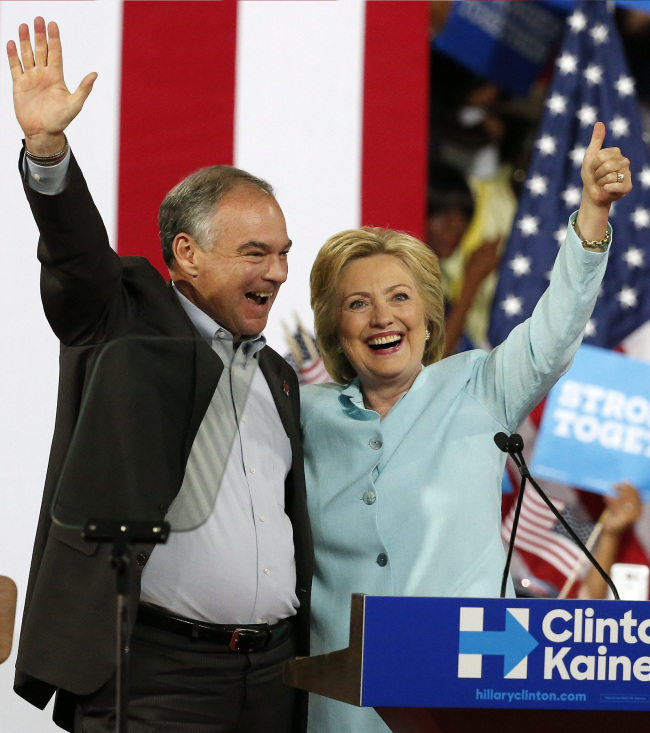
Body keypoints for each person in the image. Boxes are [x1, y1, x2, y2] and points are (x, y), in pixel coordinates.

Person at [7, 17, 312, 733]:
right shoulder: (126, 321)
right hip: (156, 676)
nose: (277, 272)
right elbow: (76, 257)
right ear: (188, 254)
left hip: (273, 675)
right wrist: (47, 151)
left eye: (283, 252)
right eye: (255, 252)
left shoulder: (279, 373)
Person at [301, 122, 631, 732]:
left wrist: (592, 214)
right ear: (336, 330)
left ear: (428, 316)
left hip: (460, 706)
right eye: (357, 303)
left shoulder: (479, 385)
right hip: (339, 712)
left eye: (400, 297)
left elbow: (554, 330)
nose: (382, 318)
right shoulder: (302, 415)